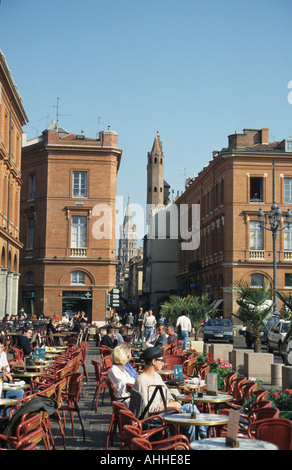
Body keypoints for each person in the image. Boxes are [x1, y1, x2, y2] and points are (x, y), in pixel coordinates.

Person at [131, 347, 206, 440]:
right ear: (154, 361)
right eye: (161, 360)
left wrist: (171, 401)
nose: (163, 363)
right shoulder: (142, 380)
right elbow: (147, 408)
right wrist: (169, 405)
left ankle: (196, 443)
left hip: (163, 412)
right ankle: (204, 434)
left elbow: (167, 394)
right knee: (190, 407)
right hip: (154, 417)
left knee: (190, 422)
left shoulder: (157, 376)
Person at [0, 338, 24, 416]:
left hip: (2, 384)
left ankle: (7, 418)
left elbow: (7, 369)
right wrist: (2, 374)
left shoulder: (2, 354)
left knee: (19, 391)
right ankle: (8, 420)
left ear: (4, 348)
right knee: (19, 392)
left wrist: (5, 370)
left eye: (0, 347)